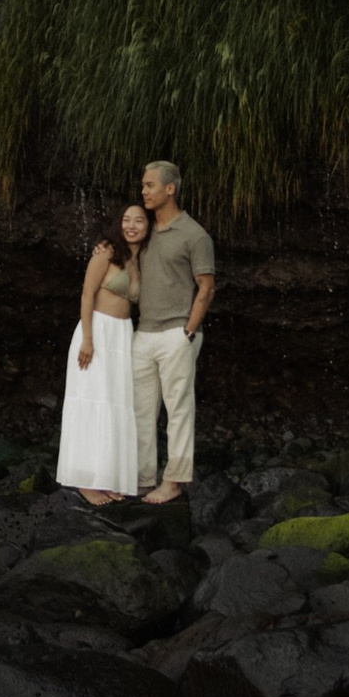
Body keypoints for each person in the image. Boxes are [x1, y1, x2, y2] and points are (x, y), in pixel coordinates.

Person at [132, 157, 213, 505]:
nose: (143, 191)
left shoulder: (195, 235)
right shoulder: (145, 231)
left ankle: (174, 481)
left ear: (170, 188)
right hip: (143, 334)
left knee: (178, 410)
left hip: (176, 334)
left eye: (150, 185)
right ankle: (141, 478)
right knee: (140, 411)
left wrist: (188, 333)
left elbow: (206, 287)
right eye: (143, 185)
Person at [58, 203, 146, 503]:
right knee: (90, 401)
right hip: (97, 330)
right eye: (126, 220)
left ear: (148, 226)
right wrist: (87, 337)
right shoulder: (107, 250)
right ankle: (84, 481)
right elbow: (87, 293)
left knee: (115, 404)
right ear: (118, 224)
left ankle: (106, 477)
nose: (132, 225)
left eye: (139, 220)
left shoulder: (141, 259)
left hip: (123, 336)